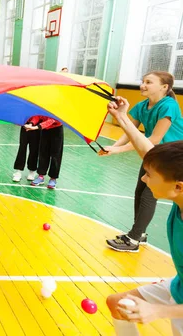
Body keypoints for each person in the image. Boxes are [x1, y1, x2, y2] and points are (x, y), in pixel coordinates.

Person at [105, 96, 183, 336]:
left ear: (178, 187)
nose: (143, 178)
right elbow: (148, 151)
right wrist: (122, 118)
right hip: (179, 286)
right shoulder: (179, 193)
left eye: (149, 175)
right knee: (118, 303)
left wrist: (160, 311)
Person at [102, 71, 183, 252]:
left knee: (149, 195)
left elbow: (154, 139)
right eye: (142, 81)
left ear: (164, 87)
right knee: (140, 191)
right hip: (154, 155)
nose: (142, 85)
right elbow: (130, 130)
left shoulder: (168, 106)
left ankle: (133, 239)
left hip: (173, 157)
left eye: (148, 82)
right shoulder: (142, 105)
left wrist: (119, 150)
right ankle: (140, 233)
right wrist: (113, 146)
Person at [29, 116, 64, 189]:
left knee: (56, 156)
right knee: (43, 153)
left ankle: (53, 178)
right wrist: (31, 123)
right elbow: (38, 116)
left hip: (57, 129)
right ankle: (41, 176)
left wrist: (36, 127)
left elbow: (51, 120)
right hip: (45, 130)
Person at [12, 117, 41, 182]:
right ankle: (18, 172)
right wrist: (19, 121)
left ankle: (32, 171)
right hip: (25, 126)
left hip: (36, 128)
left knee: (34, 149)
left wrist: (31, 124)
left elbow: (37, 116)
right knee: (22, 148)